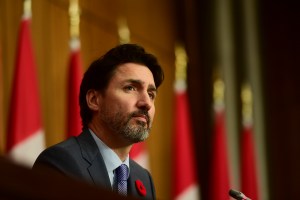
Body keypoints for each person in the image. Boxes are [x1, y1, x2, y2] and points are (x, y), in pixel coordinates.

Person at [32, 44, 164, 199]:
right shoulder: (60, 164)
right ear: (94, 100)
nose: (146, 103)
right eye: (130, 88)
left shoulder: (144, 179)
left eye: (151, 94)